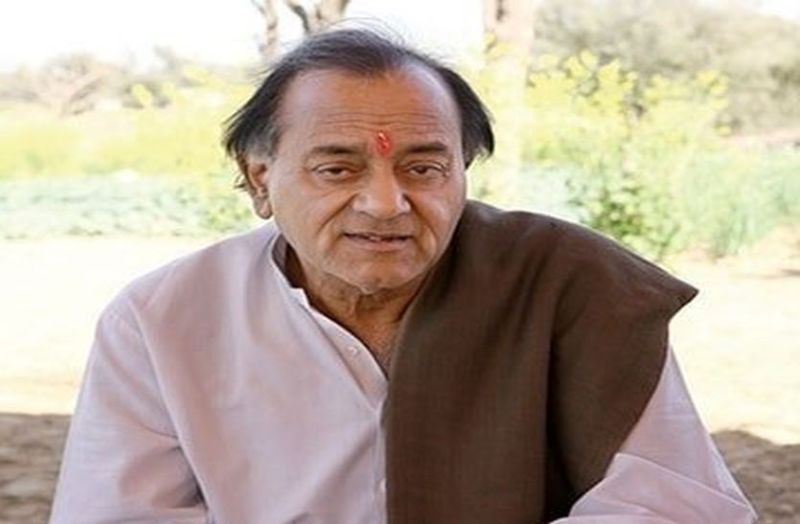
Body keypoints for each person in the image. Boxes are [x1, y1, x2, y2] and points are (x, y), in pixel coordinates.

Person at [49, 28, 756, 523]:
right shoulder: (164, 319)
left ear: (463, 174)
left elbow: (675, 504)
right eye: (338, 168)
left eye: (423, 167)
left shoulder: (571, 285)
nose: (386, 203)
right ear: (259, 179)